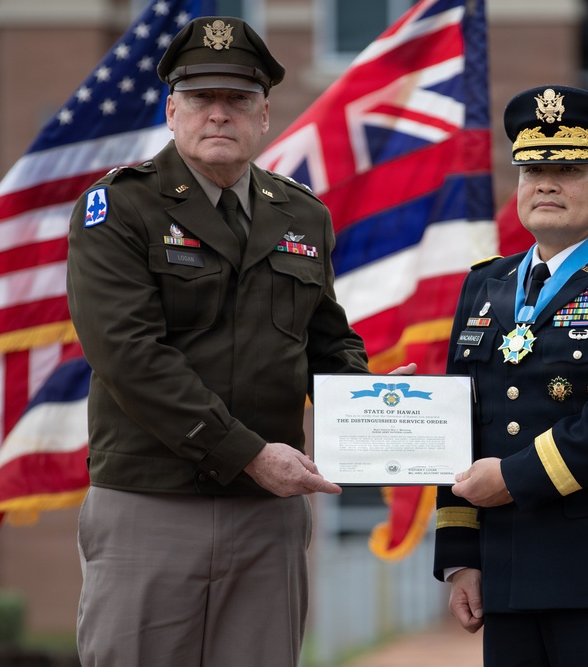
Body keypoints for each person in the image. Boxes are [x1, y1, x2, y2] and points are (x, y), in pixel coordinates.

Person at [66, 17, 406, 666]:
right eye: (201, 98)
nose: (219, 114)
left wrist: (376, 405)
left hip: (266, 515)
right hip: (152, 499)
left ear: (265, 115)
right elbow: (128, 355)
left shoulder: (302, 213)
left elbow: (326, 342)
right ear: (172, 111)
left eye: (238, 100)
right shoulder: (119, 209)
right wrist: (249, 454)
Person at [433, 84, 588, 666]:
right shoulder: (484, 284)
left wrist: (513, 478)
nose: (545, 182)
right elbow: (460, 428)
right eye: (532, 168)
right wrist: (460, 556)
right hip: (506, 573)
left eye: (569, 167)